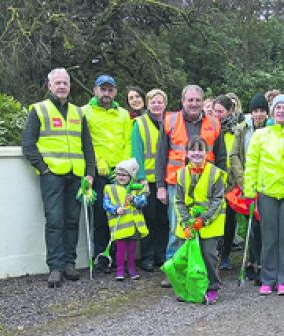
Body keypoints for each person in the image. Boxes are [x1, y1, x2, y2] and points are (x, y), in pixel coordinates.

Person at [21, 67, 97, 287]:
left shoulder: (78, 112)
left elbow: (87, 146)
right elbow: (28, 144)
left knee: (72, 221)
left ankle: (69, 264)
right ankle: (55, 267)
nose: (62, 86)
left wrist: (89, 173)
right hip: (52, 175)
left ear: (69, 86)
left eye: (65, 83)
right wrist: (44, 169)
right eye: (58, 83)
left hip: (76, 175)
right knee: (54, 220)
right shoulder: (39, 110)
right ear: (50, 86)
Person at [243, 93, 284, 295]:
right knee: (269, 237)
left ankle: (283, 279)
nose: (281, 111)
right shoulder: (260, 136)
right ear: (272, 111)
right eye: (278, 108)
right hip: (267, 193)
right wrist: (249, 192)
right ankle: (268, 278)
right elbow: (252, 165)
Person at [155, 84, 222, 287]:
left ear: (203, 102)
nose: (194, 104)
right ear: (182, 101)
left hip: (206, 185)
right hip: (177, 183)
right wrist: (160, 186)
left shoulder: (214, 122)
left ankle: (199, 269)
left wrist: (222, 184)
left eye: (197, 100)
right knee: (178, 228)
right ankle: (174, 268)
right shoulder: (170, 121)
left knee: (204, 227)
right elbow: (161, 155)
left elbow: (221, 156)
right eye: (190, 100)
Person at [82, 74, 132, 273]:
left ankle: (119, 257)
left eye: (110, 90)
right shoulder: (85, 112)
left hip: (119, 173)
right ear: (95, 90)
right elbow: (85, 142)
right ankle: (101, 257)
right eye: (103, 89)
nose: (106, 93)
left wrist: (124, 167)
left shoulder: (123, 114)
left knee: (122, 214)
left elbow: (127, 141)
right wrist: (95, 164)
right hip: (99, 172)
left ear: (115, 92)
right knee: (102, 216)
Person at [174, 137, 228, 304]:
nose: (196, 153)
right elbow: (178, 201)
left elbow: (218, 200)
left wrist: (203, 220)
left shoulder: (215, 173)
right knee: (187, 255)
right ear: (187, 153)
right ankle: (188, 287)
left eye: (200, 149)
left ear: (206, 153)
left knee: (208, 253)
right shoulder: (181, 174)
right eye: (193, 150)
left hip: (210, 221)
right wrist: (186, 222)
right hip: (188, 221)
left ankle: (212, 286)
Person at [230, 93, 270, 283]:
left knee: (263, 226)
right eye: (256, 110)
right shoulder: (242, 129)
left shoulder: (272, 129)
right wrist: (243, 180)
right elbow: (234, 155)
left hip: (266, 185)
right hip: (246, 183)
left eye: (262, 110)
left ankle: (263, 263)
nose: (259, 114)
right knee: (251, 225)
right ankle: (253, 262)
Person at [132, 88, 168, 272]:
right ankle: (147, 257)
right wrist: (141, 178)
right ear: (147, 103)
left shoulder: (170, 121)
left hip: (166, 178)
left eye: (160, 101)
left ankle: (161, 255)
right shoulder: (139, 123)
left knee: (164, 219)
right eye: (153, 101)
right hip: (147, 180)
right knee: (149, 218)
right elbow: (137, 152)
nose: (156, 104)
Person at [103, 158, 148, 280]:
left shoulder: (136, 188)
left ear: (131, 177)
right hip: (120, 226)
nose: (121, 177)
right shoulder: (110, 188)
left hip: (133, 226)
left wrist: (133, 200)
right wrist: (116, 209)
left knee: (132, 249)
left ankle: (131, 268)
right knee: (120, 249)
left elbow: (143, 201)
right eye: (118, 174)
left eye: (124, 175)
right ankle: (120, 270)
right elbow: (106, 204)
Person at [211, 95, 237, 270]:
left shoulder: (237, 130)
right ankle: (213, 253)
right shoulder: (210, 127)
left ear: (230, 111)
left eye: (221, 111)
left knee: (229, 218)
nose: (217, 115)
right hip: (212, 179)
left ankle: (226, 254)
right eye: (215, 111)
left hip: (231, 180)